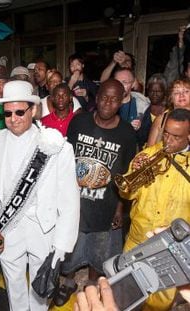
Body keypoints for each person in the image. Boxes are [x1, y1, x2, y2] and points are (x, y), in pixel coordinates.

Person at [0, 80, 80, 310]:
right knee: (13, 286)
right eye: (8, 113)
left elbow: (70, 200)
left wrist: (62, 245)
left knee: (40, 289)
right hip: (8, 230)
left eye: (20, 111)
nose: (13, 118)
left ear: (34, 110)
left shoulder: (56, 145)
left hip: (43, 228)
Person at [62, 79, 136, 283]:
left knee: (99, 249)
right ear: (97, 97)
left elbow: (126, 176)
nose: (107, 103)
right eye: (104, 97)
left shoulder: (128, 134)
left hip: (105, 204)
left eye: (114, 100)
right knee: (70, 246)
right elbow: (64, 160)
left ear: (122, 101)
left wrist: (120, 208)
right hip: (75, 201)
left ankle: (92, 284)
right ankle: (68, 282)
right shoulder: (79, 122)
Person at [119, 108, 190, 311]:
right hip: (137, 239)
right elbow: (125, 192)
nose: (168, 140)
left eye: (176, 136)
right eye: (165, 133)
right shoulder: (148, 154)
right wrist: (136, 170)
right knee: (126, 297)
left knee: (158, 304)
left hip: (170, 249)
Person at [147, 79, 190, 147]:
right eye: (176, 93)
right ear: (171, 98)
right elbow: (149, 150)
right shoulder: (161, 119)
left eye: (186, 91)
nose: (181, 95)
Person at [136, 74, 168, 149]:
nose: (154, 94)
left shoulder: (169, 113)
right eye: (151, 91)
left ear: (164, 92)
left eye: (158, 91)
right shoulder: (142, 110)